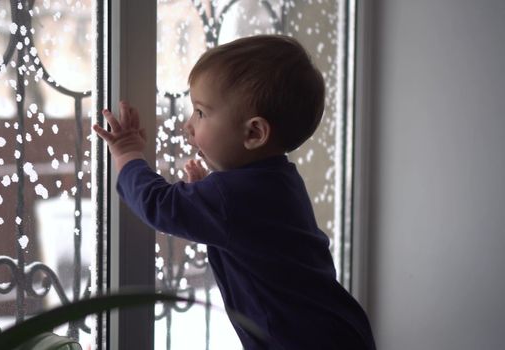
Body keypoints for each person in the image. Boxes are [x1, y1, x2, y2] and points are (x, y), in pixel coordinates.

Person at [93, 35, 376, 349]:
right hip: (334, 330)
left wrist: (127, 152)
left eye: (201, 112)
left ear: (254, 132)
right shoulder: (278, 181)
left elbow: (159, 205)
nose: (189, 125)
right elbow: (243, 225)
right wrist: (206, 189)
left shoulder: (233, 197)